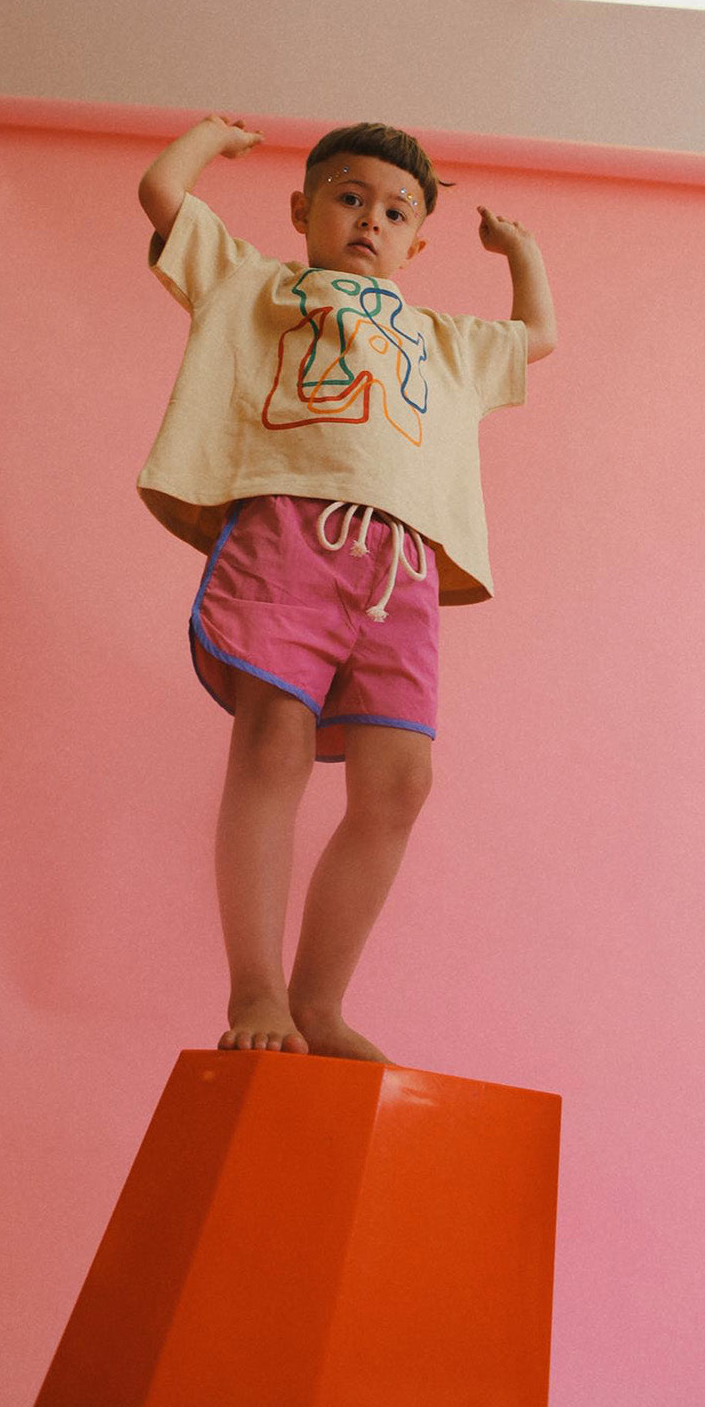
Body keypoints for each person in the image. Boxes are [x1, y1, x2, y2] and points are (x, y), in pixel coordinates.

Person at [136, 114, 556, 1062]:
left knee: (401, 781)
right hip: (289, 536)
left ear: (416, 239)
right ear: (305, 208)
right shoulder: (256, 283)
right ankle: (259, 987)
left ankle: (319, 1003)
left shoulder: (443, 338)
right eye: (350, 197)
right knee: (274, 741)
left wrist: (519, 250)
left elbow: (538, 336)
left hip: (400, 567)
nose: (371, 219)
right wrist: (208, 138)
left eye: (396, 211)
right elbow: (163, 197)